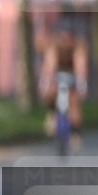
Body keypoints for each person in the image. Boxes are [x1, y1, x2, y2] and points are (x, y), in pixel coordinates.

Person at [39, 17, 89, 148]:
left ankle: (75, 131)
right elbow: (50, 64)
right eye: (63, 37)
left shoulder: (78, 45)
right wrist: (46, 82)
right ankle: (52, 114)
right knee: (50, 93)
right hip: (57, 75)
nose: (66, 40)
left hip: (72, 76)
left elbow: (80, 65)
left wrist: (82, 83)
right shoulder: (53, 45)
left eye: (68, 37)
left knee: (74, 101)